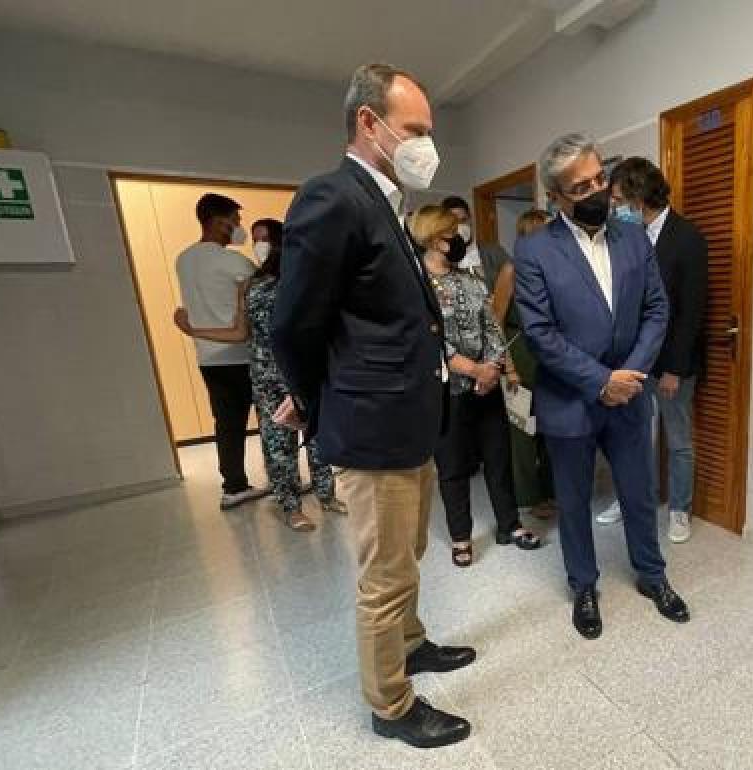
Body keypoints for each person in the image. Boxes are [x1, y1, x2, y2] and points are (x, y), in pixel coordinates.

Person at [270, 63, 474, 749]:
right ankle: (391, 704)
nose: (426, 144)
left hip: (408, 423)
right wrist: (309, 399)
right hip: (372, 425)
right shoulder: (333, 198)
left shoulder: (383, 205)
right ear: (369, 123)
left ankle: (411, 645)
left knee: (408, 554)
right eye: (415, 130)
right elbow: (295, 323)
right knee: (384, 576)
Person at [514, 133, 690, 640]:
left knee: (639, 493)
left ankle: (652, 576)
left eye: (599, 178)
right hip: (571, 400)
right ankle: (583, 586)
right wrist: (599, 381)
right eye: (581, 185)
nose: (598, 191)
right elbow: (540, 333)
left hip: (630, 395)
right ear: (556, 196)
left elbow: (657, 310)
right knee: (573, 501)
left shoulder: (633, 236)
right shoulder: (534, 252)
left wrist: (628, 375)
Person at [174, 218, 346, 532]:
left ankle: (327, 495)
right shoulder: (250, 284)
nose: (258, 245)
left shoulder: (303, 280)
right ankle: (291, 506)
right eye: (255, 239)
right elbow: (240, 332)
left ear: (281, 241)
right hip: (268, 377)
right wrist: (193, 330)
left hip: (307, 372)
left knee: (319, 438)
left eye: (264, 238)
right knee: (279, 445)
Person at [410, 204, 542, 567]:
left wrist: (493, 369)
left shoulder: (471, 279)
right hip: (446, 393)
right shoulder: (415, 287)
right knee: (453, 468)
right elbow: (427, 340)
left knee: (499, 460)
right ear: (436, 240)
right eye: (453, 233)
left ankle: (509, 525)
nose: (460, 238)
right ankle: (460, 536)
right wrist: (473, 370)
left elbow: (493, 327)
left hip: (486, 387)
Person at [607, 157, 709, 543]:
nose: (614, 207)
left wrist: (675, 369)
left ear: (638, 196)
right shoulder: (624, 238)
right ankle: (634, 499)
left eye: (618, 199)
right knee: (633, 436)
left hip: (671, 364)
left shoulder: (687, 238)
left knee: (678, 439)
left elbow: (692, 310)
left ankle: (680, 509)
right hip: (634, 361)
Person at [174, 193, 268, 510]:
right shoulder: (233, 262)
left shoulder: (183, 259)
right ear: (219, 221)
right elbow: (264, 299)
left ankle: (234, 486)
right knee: (272, 419)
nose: (238, 228)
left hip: (208, 355)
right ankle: (284, 479)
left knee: (226, 423)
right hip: (242, 354)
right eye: (236, 221)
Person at [491, 209, 558, 520]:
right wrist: (508, 367)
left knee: (550, 428)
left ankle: (551, 490)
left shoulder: (556, 269)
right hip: (520, 357)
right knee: (523, 433)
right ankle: (529, 497)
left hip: (551, 359)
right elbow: (496, 321)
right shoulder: (511, 271)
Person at [441, 195, 511, 289]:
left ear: (470, 220)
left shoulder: (493, 252)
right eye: (454, 222)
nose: (460, 226)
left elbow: (516, 284)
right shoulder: (443, 258)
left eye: (463, 220)